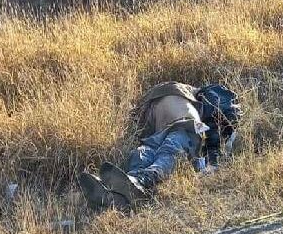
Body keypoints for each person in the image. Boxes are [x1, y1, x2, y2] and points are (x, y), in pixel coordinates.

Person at [79, 81, 241, 209]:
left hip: (171, 122)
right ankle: (133, 185)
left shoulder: (204, 93)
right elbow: (221, 117)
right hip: (167, 120)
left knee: (159, 149)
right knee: (156, 149)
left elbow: (220, 121)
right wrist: (214, 155)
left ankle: (130, 187)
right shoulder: (212, 93)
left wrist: (212, 158)